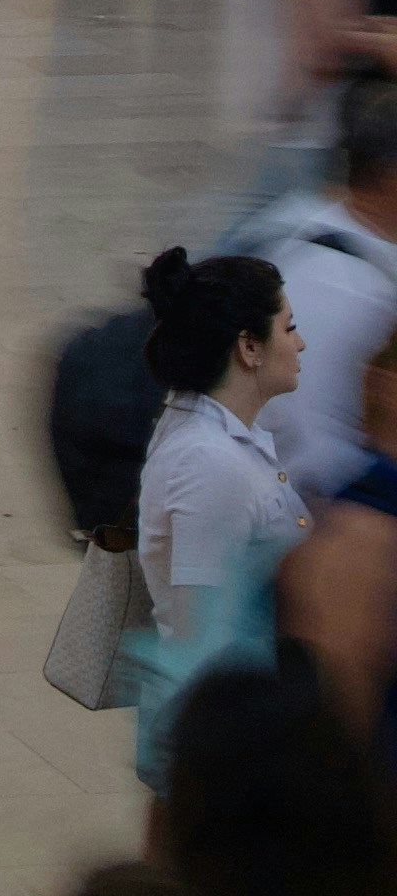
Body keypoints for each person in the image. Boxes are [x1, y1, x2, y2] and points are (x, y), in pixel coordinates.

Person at [131, 237, 305, 643]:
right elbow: (201, 636)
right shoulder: (209, 462)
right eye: (289, 328)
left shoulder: (216, 437)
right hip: (229, 701)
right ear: (249, 347)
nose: (299, 343)